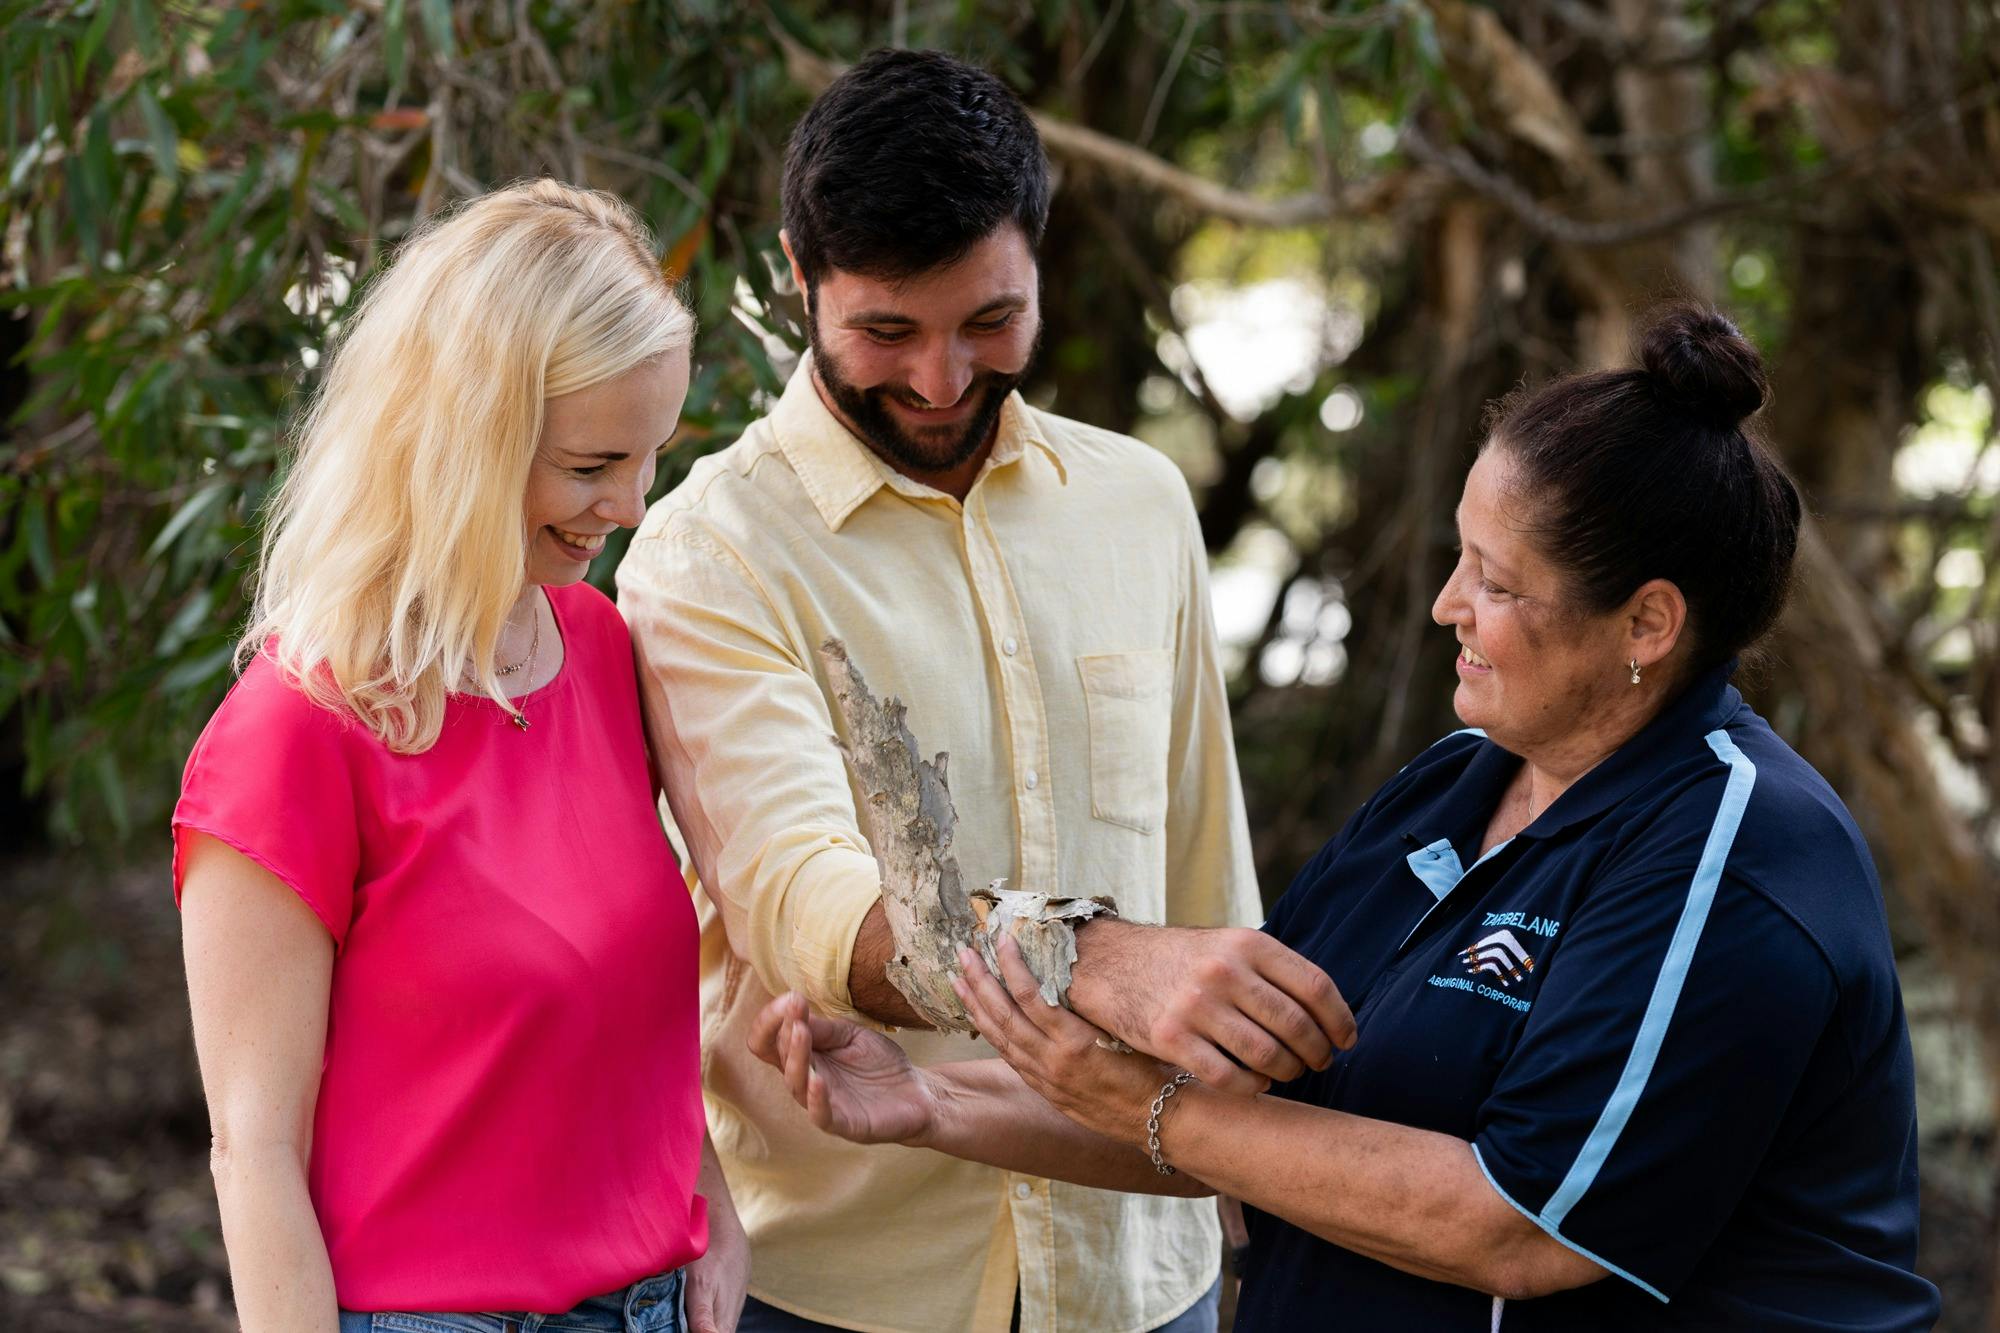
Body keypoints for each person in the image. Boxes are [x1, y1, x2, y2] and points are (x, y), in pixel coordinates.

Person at [751, 306, 1943, 1331]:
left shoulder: (1733, 853)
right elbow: (1260, 1111)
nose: (1444, 606)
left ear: (1645, 624)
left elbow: (1518, 1227)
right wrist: (934, 1103)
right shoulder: (1456, 782)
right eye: (1457, 558)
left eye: (1495, 581)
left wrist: (1148, 1106)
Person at [616, 48, 1353, 1333]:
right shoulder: (707, 552)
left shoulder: (1139, 502)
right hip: (839, 1285)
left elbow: (1201, 872)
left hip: (1144, 1271)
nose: (941, 381)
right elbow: (804, 904)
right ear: (799, 274)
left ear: (1040, 261)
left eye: (988, 322)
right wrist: (1086, 960)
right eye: (885, 331)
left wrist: (1252, 1191)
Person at [174, 180, 748, 1333]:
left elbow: (622, 1013)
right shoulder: (294, 730)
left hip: (656, 1304)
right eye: (592, 465)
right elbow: (254, 1151)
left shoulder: (596, 648)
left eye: (651, 456)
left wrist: (714, 1211)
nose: (632, 505)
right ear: (465, 443)